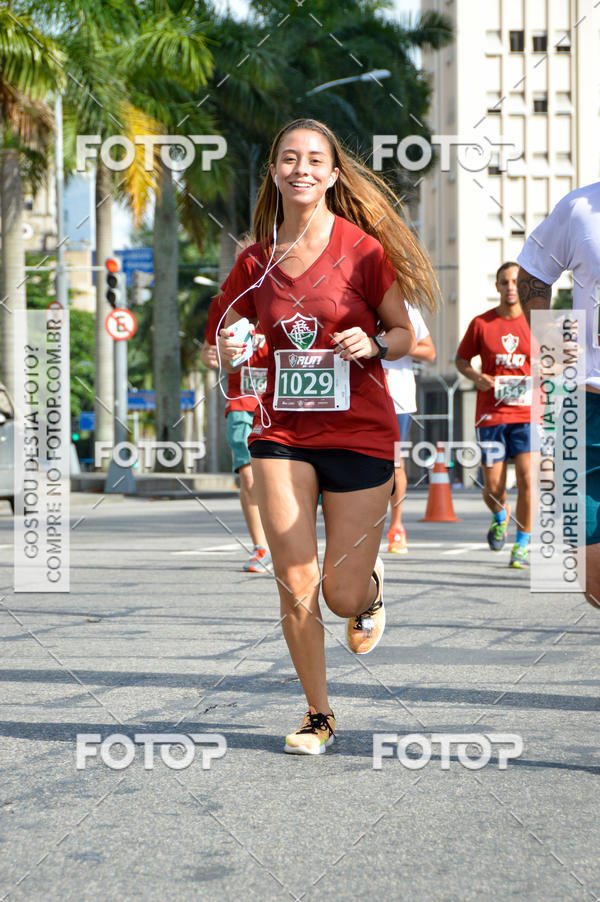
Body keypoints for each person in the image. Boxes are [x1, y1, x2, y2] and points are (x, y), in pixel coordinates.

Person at [218, 118, 439, 754]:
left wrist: (372, 340)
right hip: (279, 431)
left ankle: (368, 597)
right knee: (295, 579)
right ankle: (319, 714)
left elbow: (404, 335)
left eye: (315, 158)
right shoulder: (256, 261)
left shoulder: (364, 251)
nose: (301, 168)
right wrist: (234, 345)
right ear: (275, 172)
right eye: (289, 158)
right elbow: (228, 336)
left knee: (339, 594)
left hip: (358, 433)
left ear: (333, 175)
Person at [516, 181, 600, 606]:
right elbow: (533, 273)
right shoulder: (580, 208)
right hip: (590, 400)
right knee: (593, 578)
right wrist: (550, 339)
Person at [455, 262, 540, 569]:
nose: (510, 287)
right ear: (497, 286)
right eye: (504, 282)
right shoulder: (482, 324)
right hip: (491, 415)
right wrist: (476, 376)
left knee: (529, 480)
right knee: (494, 487)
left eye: (515, 281)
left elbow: (555, 363)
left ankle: (522, 545)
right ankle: (500, 516)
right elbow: (461, 360)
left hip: (527, 414)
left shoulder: (536, 324)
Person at [201, 293, 272, 573]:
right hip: (242, 399)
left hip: (280, 400)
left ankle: (288, 540)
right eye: (239, 250)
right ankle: (261, 547)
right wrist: (210, 356)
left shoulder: (286, 292)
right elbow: (209, 352)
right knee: (249, 475)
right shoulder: (221, 302)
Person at [382, 304, 436, 553]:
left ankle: (396, 526)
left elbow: (430, 352)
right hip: (356, 395)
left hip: (397, 400)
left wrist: (401, 342)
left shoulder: (408, 310)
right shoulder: (352, 299)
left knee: (394, 463)